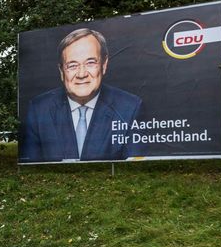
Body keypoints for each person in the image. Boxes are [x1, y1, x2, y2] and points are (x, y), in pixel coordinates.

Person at [20, 28, 142, 162]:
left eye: (90, 63)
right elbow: (31, 165)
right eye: (72, 65)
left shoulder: (130, 107)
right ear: (61, 71)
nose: (81, 74)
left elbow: (135, 166)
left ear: (104, 65)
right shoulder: (39, 109)